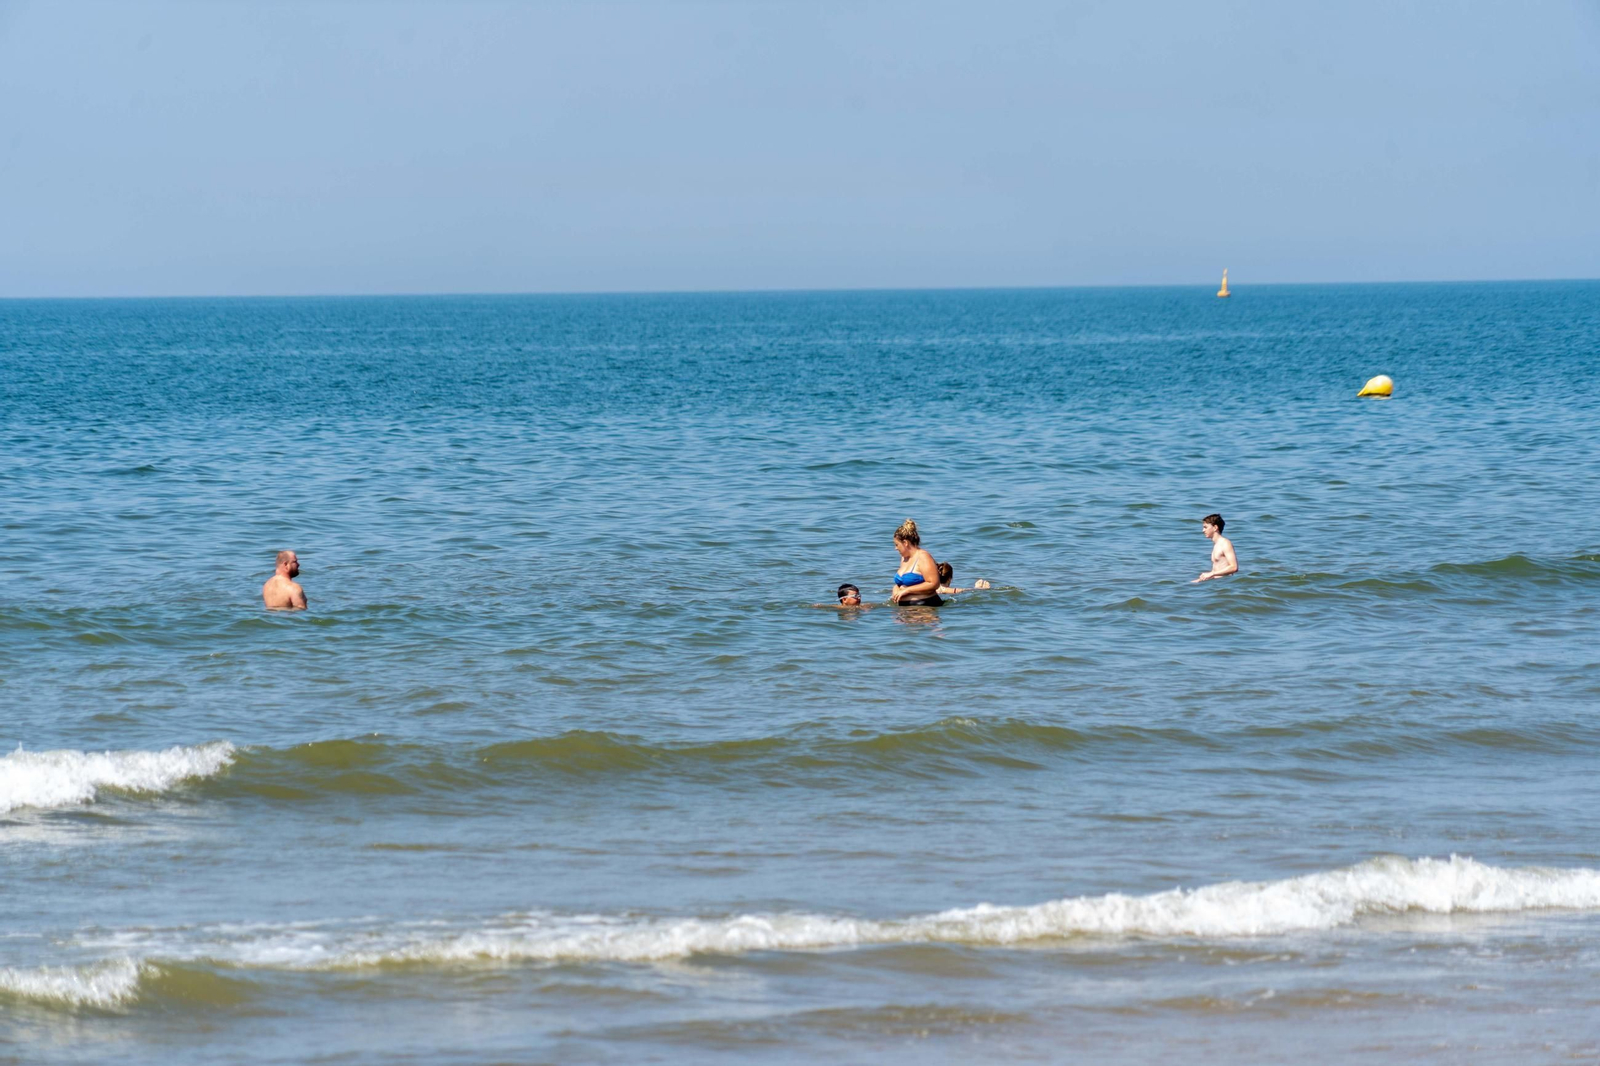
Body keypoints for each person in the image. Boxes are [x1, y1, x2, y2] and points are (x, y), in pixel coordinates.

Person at [891, 519, 943, 606]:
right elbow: (902, 582)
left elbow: (934, 583)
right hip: (906, 610)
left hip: (925, 607)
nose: (895, 548)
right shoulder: (904, 558)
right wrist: (896, 589)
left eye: (897, 545)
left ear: (905, 543)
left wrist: (908, 590)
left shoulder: (923, 557)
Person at [1194, 514, 1238, 583]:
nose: (1203, 530)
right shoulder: (1216, 545)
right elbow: (1217, 570)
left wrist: (1212, 573)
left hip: (1225, 584)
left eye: (1205, 527)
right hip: (1217, 584)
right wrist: (1199, 580)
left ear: (1215, 527)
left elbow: (1234, 567)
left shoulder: (1225, 543)